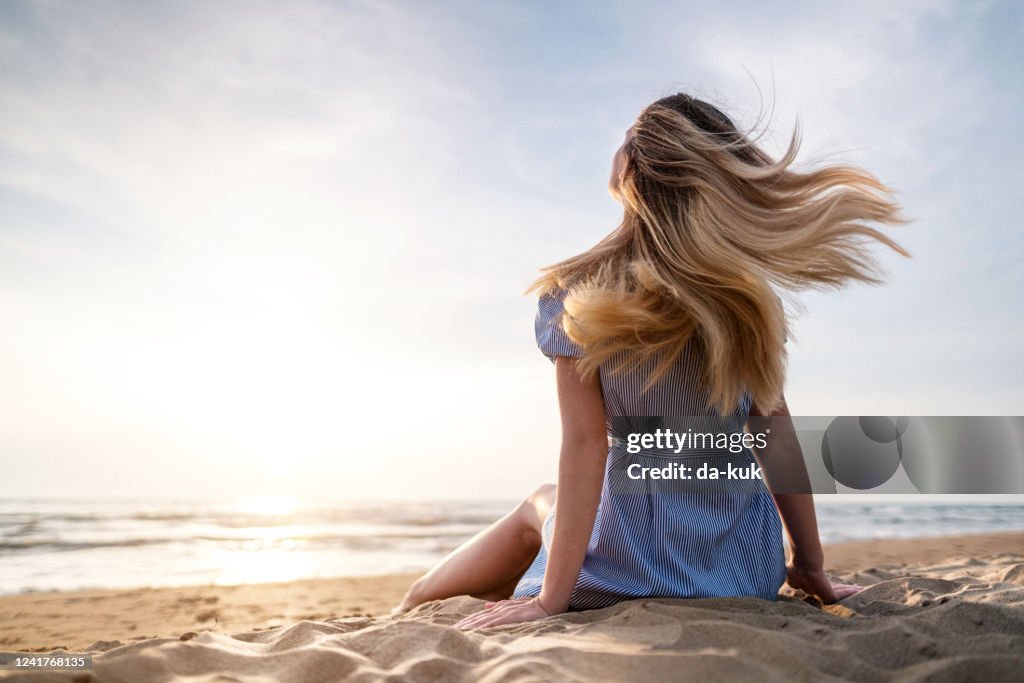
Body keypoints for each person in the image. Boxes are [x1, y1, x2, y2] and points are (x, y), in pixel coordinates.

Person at [394, 92, 909, 629]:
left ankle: (414, 601)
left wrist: (551, 602)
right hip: (741, 574)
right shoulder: (749, 302)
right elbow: (774, 436)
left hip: (626, 569)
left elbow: (587, 447)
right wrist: (809, 565)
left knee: (536, 504)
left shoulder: (577, 293)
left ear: (630, 169)